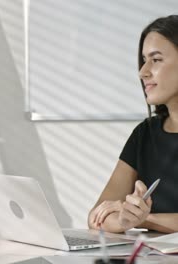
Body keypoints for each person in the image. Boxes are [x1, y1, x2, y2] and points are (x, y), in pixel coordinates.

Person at [88, 15, 178, 233]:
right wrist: (124, 219)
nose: (142, 72)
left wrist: (144, 219)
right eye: (144, 60)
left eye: (156, 60)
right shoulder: (145, 134)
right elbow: (97, 216)